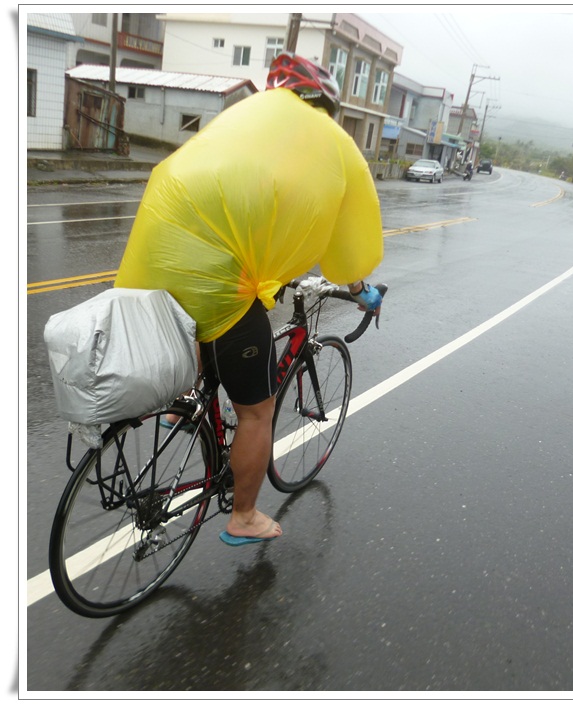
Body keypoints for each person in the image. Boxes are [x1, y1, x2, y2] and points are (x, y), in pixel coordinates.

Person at [114, 53, 384, 547]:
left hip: (157, 257)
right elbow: (346, 249)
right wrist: (360, 291)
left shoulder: (241, 118)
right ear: (325, 102)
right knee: (257, 412)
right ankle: (243, 516)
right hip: (224, 286)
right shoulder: (331, 142)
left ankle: (182, 404)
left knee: (200, 316)